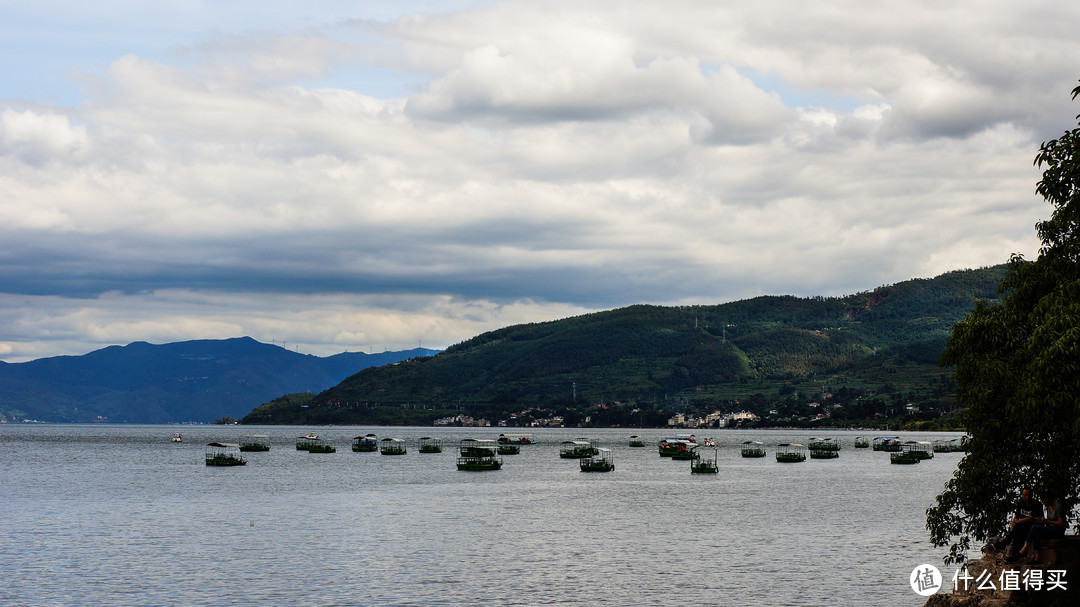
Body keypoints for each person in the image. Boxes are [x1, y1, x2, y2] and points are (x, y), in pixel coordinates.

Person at [1010, 494, 1068, 563]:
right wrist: (1042, 521)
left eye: (1044, 502)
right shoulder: (1049, 507)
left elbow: (1061, 523)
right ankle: (1037, 558)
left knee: (1034, 528)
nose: (1044, 504)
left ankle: (1023, 550)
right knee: (1035, 532)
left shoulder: (1058, 507)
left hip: (1057, 531)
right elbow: (1049, 521)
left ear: (1048, 500)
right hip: (1050, 528)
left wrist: (1047, 521)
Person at [993, 488, 1043, 555]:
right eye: (1025, 495)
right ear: (1022, 495)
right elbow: (1016, 515)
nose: (1027, 497)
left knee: (1018, 527)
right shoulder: (1021, 503)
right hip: (1022, 525)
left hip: (1033, 525)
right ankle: (1014, 552)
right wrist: (1013, 523)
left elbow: (1032, 517)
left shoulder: (1037, 504)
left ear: (1032, 495)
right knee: (1016, 530)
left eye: (1029, 495)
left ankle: (1005, 543)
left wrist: (1018, 522)